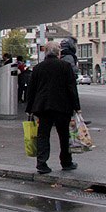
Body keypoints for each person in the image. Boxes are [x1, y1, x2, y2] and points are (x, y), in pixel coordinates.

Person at [25, 40, 81, 174]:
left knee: (43, 135)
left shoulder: (38, 68)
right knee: (64, 135)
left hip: (43, 107)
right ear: (59, 52)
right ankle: (66, 162)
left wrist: (29, 109)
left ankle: (42, 163)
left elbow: (31, 90)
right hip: (63, 107)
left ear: (45, 52)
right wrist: (77, 107)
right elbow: (71, 88)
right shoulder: (65, 66)